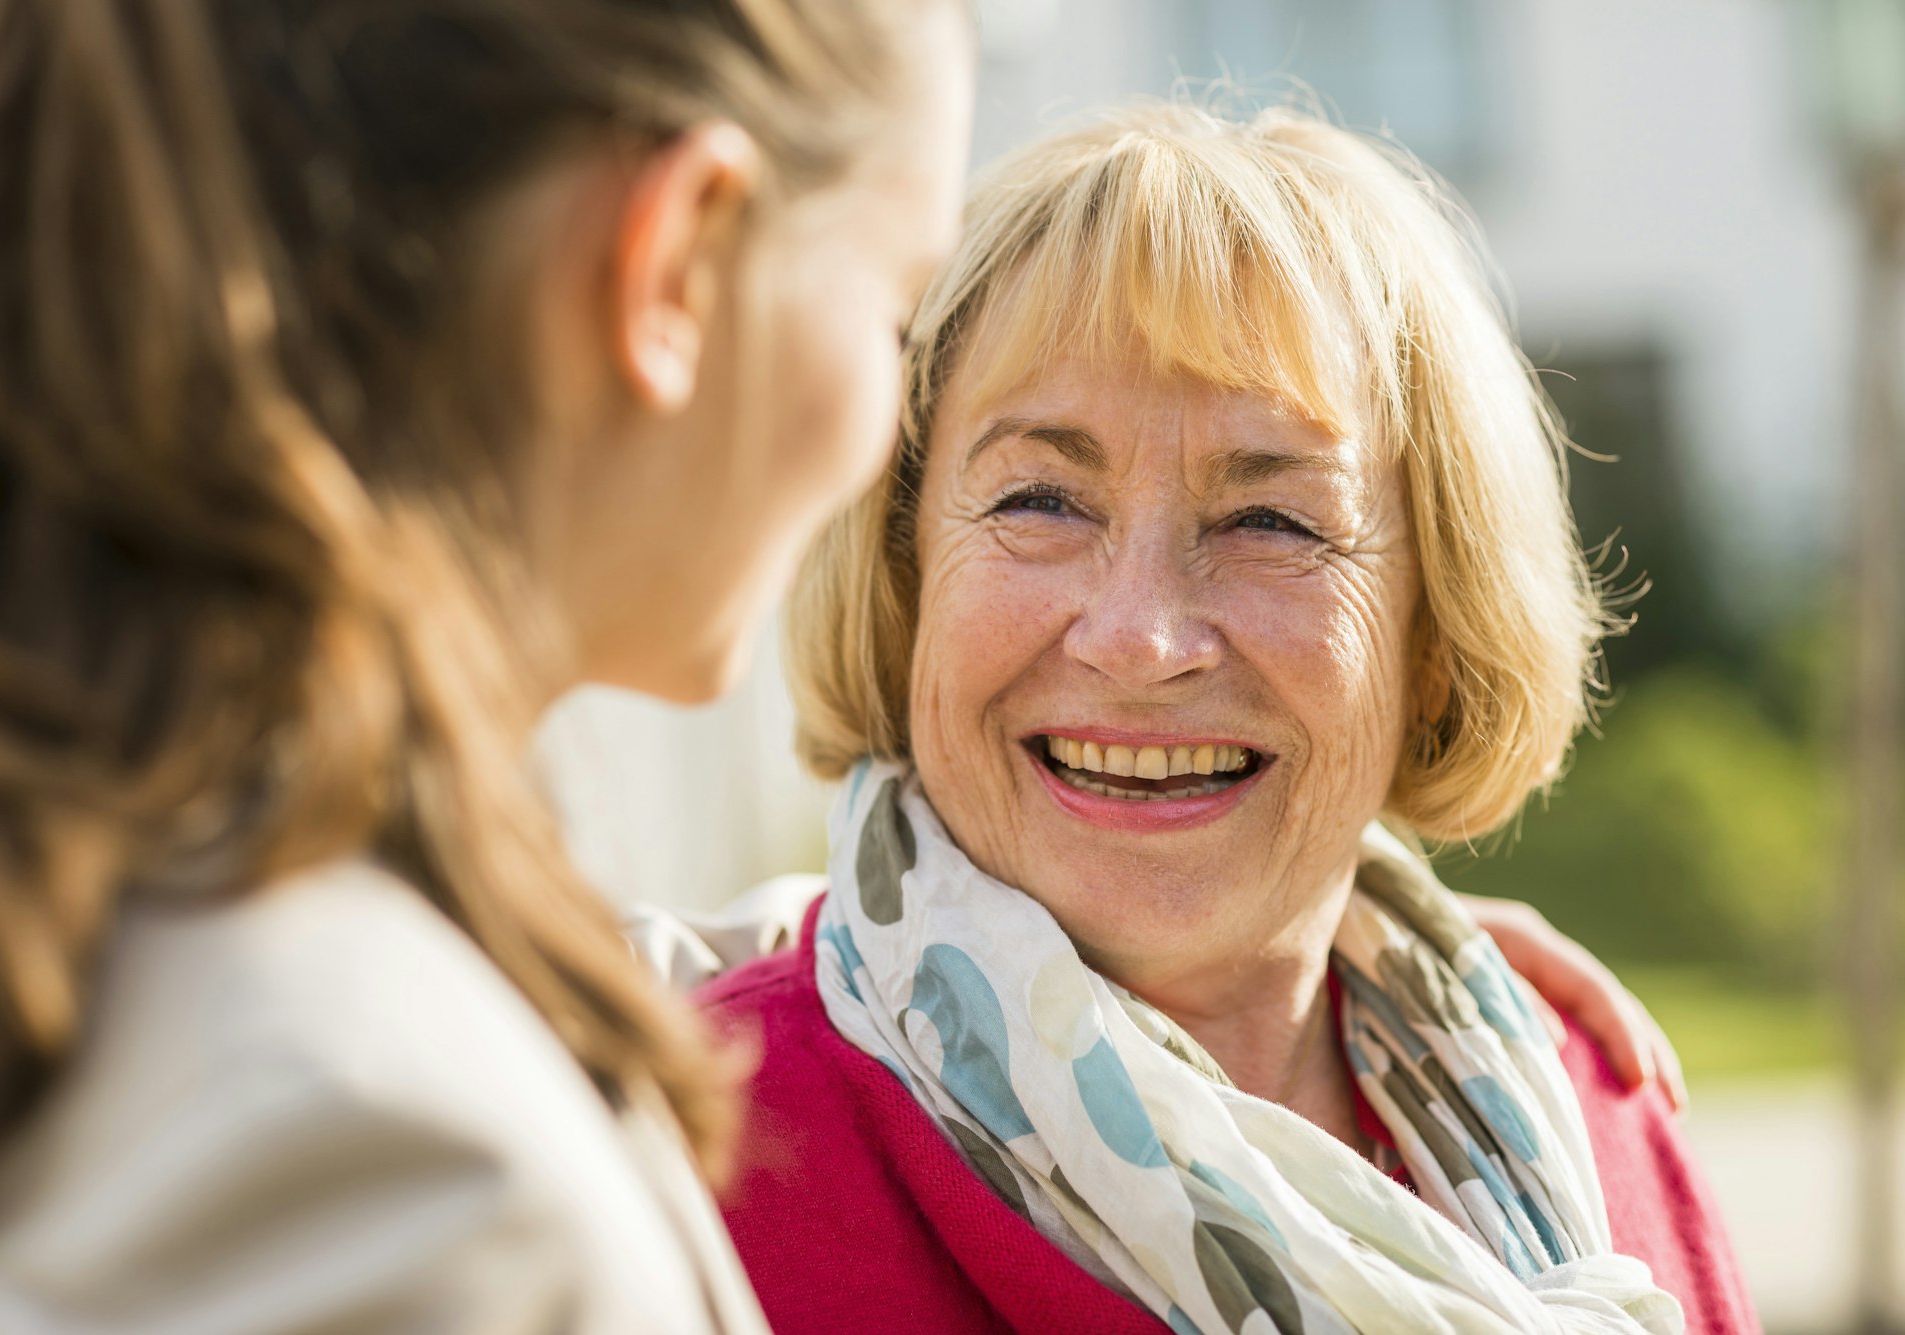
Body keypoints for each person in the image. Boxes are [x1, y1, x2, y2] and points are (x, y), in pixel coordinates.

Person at [0, 0, 972, 1328]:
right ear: (679, 260)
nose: (884, 434)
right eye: (896, 311)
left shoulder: (90, 892)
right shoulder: (395, 1174)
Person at [700, 102, 1757, 1333]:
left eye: (1270, 522)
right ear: (903, 578)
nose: (1139, 638)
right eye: (1040, 498)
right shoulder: (701, 1153)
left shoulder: (1596, 1117)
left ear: (1433, 632)